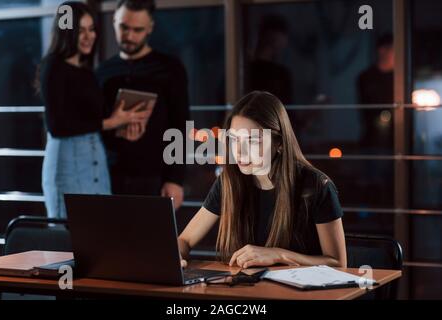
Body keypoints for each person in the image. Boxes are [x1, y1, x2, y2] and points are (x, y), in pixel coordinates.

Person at [178, 91, 346, 268]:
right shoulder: (229, 181)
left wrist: (278, 255)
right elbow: (185, 240)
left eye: (252, 141)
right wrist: (176, 254)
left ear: (279, 143)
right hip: (246, 290)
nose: (240, 152)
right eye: (234, 140)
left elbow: (338, 264)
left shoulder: (317, 186)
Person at [38, 1, 149, 218]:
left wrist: (125, 122)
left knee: (100, 232)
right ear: (67, 32)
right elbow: (57, 126)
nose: (89, 36)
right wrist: (112, 122)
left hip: (96, 160)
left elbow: (92, 119)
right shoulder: (53, 67)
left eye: (92, 29)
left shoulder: (88, 71)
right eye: (81, 31)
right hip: (67, 162)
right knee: (68, 236)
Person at [96, 0, 190, 209]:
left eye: (137, 30)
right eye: (124, 27)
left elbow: (181, 125)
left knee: (152, 240)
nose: (129, 36)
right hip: (108, 174)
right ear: (114, 21)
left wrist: (175, 179)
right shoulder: (103, 72)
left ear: (150, 28)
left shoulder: (170, 68)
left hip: (154, 175)